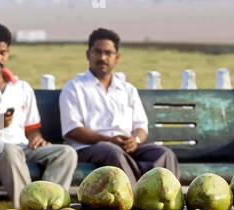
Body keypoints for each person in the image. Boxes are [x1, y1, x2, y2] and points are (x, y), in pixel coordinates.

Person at [0, 23, 77, 206]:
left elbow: (32, 129)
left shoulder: (22, 88)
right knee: (10, 151)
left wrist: (37, 139)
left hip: (23, 147)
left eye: (3, 53)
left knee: (66, 153)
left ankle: (51, 205)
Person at [58, 27, 179, 181]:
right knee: (111, 151)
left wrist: (134, 141)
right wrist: (108, 140)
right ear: (88, 54)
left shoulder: (127, 89)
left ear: (117, 57)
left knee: (164, 154)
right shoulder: (74, 88)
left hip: (127, 147)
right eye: (98, 52)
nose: (103, 57)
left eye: (108, 53)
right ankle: (135, 200)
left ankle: (164, 200)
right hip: (91, 148)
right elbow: (73, 130)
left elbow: (141, 127)